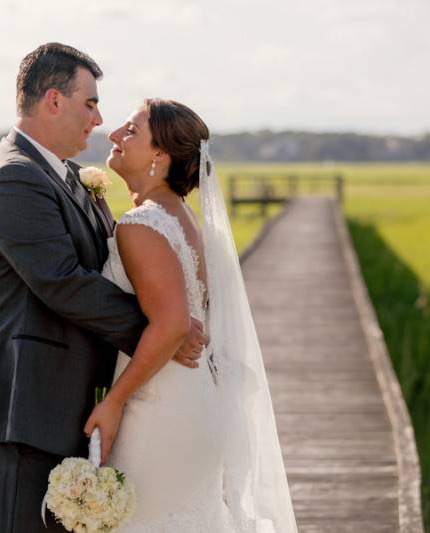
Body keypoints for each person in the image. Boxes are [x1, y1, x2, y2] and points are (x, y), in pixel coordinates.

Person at [0, 44, 206, 532]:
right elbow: (64, 283)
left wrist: (168, 326)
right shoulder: (13, 178)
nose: (99, 119)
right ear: (54, 100)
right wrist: (164, 331)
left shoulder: (69, 178)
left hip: (65, 412)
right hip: (20, 413)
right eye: (90, 103)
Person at [83, 99, 299, 532]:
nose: (113, 135)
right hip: (192, 402)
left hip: (159, 409)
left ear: (159, 156)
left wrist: (113, 401)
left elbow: (174, 324)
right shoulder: (181, 218)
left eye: (130, 130)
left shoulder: (142, 224)